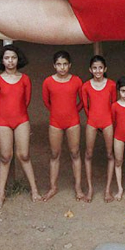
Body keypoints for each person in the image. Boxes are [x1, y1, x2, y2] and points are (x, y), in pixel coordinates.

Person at [0, 44, 44, 208]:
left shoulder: (25, 79)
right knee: (5, 156)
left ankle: (34, 190)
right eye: (7, 58)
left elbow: (26, 101)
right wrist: (1, 116)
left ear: (18, 60)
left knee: (24, 155)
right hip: (2, 122)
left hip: (21, 120)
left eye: (13, 57)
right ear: (2, 61)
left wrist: (17, 115)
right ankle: (1, 194)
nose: (10, 61)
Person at [42, 51, 85, 201]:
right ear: (54, 65)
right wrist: (56, 112)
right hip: (55, 122)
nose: (62, 67)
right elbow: (46, 101)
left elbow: (82, 101)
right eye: (59, 64)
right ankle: (53, 187)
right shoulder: (48, 82)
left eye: (65, 64)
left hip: (73, 121)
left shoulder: (77, 81)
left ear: (70, 65)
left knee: (75, 153)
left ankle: (78, 187)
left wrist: (73, 111)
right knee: (55, 154)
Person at [80, 55, 117, 203]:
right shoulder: (86, 86)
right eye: (94, 68)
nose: (97, 71)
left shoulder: (111, 85)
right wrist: (93, 120)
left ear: (105, 69)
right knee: (88, 154)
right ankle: (90, 189)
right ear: (90, 70)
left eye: (100, 68)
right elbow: (86, 107)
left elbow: (114, 105)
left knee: (110, 154)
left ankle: (107, 189)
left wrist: (109, 122)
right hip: (92, 122)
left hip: (108, 122)